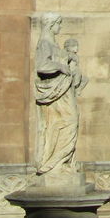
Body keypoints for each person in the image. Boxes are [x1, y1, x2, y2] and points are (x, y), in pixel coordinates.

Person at [34, 13, 80, 175]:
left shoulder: (52, 44)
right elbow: (42, 65)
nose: (60, 28)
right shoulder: (45, 43)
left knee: (67, 122)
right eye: (58, 24)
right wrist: (61, 67)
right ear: (51, 25)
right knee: (68, 121)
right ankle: (53, 163)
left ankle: (61, 162)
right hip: (55, 92)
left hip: (63, 91)